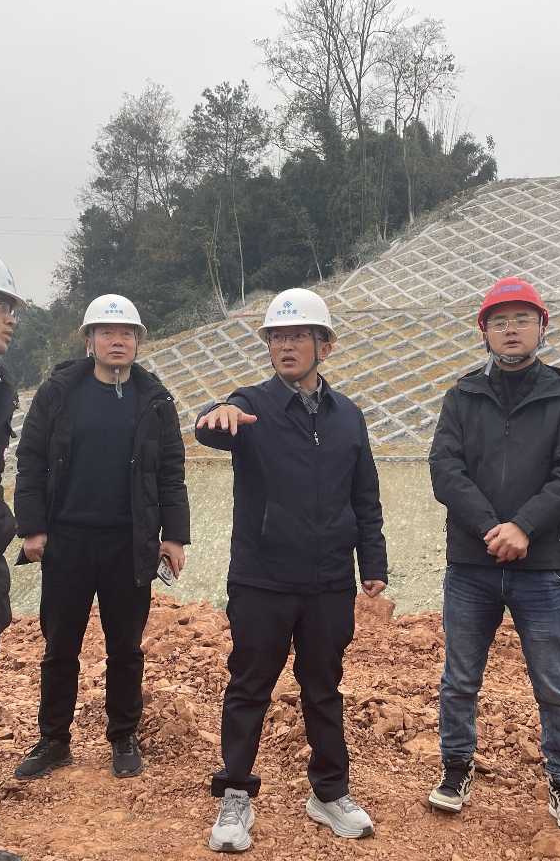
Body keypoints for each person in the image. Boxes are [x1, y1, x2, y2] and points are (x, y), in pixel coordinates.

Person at [194, 288, 388, 853]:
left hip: (329, 581)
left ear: (324, 346)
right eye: (277, 337)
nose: (286, 345)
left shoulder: (348, 416)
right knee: (249, 686)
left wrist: (372, 561)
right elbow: (211, 426)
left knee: (323, 688)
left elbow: (365, 496)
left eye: (299, 335)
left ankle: (329, 792)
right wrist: (216, 416)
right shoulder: (250, 405)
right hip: (263, 578)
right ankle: (236, 794)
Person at [427, 277, 560, 828]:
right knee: (460, 679)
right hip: (470, 565)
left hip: (539, 567)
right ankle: (455, 769)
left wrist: (523, 526)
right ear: (484, 332)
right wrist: (489, 528)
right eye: (499, 321)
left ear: (542, 327)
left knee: (554, 683)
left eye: (523, 319)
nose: (511, 329)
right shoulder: (462, 397)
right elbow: (445, 470)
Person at [12, 293, 190, 781]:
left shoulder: (154, 400)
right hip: (67, 539)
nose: (118, 340)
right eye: (107, 332)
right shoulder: (59, 393)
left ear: (138, 342)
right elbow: (31, 460)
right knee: (59, 646)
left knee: (126, 648)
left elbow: (171, 471)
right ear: (89, 341)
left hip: (129, 543)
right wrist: (32, 527)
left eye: (126, 333)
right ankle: (54, 739)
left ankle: (123, 734)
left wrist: (174, 536)